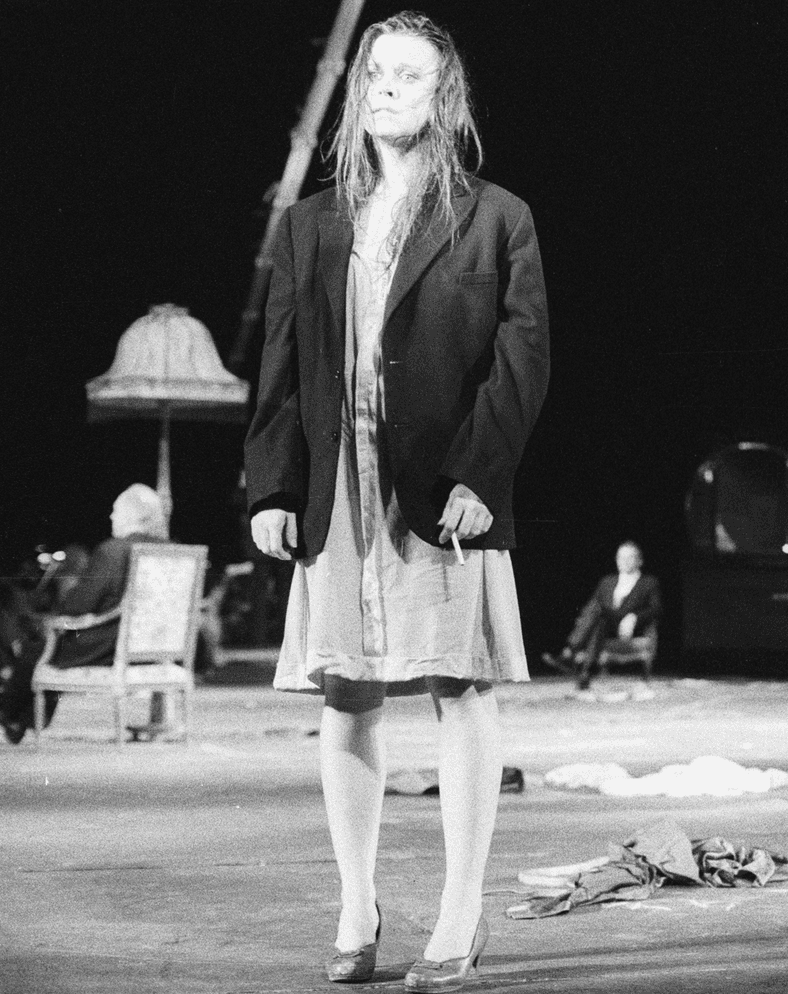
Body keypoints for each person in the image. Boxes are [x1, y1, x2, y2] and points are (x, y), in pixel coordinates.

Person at [243, 12, 548, 991]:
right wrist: (274, 480)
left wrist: (478, 475)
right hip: (341, 487)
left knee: (460, 688)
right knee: (347, 690)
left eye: (409, 76)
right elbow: (282, 367)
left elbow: (522, 360)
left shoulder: (496, 217)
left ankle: (460, 913)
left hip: (444, 485)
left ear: (441, 97)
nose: (385, 89)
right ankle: (357, 904)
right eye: (375, 73)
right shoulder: (310, 223)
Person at [0, 485, 170, 744]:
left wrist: (66, 597)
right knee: (49, 648)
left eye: (116, 512)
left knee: (40, 647)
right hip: (157, 648)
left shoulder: (112, 550)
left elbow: (78, 605)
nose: (112, 518)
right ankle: (26, 718)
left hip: (108, 646)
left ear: (134, 515)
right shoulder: (169, 551)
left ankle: (12, 714)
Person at [543, 541, 661, 691]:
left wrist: (634, 617)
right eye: (620, 557)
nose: (623, 561)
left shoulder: (648, 583)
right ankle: (586, 670)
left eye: (629, 557)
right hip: (606, 626)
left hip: (631, 628)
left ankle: (569, 654)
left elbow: (655, 609)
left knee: (598, 612)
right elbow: (591, 607)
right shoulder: (607, 581)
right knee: (598, 615)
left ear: (639, 560)